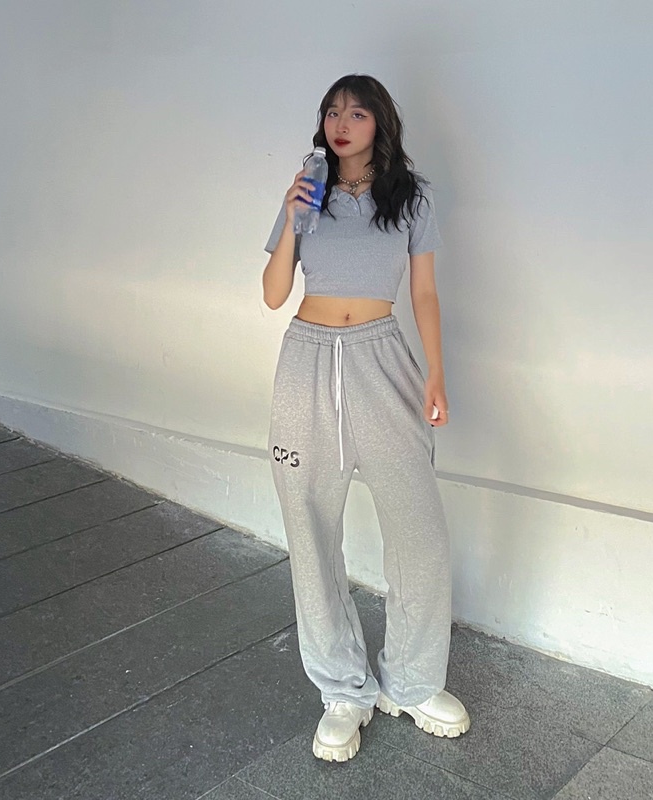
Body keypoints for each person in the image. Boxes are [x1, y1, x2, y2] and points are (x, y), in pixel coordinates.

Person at [262, 74, 469, 762]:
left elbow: (425, 293)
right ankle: (343, 689)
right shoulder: (307, 193)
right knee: (309, 525)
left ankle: (412, 683)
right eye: (332, 112)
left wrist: (435, 372)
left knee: (417, 529)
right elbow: (272, 294)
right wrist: (291, 214)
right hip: (306, 359)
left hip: (383, 358)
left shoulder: (410, 197)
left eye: (356, 112)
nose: (341, 123)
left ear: (380, 122)